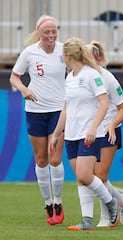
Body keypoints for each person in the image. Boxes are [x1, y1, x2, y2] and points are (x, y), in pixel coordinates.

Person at [49, 37, 120, 230]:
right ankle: (87, 220)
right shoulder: (70, 77)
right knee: (81, 178)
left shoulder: (92, 75)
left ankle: (111, 203)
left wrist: (93, 128)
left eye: (63, 55)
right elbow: (66, 108)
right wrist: (56, 134)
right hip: (71, 134)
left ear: (69, 56)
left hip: (89, 134)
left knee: (85, 174)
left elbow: (104, 103)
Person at [9, 15, 65, 225]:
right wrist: (24, 89)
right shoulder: (30, 53)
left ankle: (58, 202)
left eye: (53, 31)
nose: (51, 36)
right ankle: (48, 203)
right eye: (46, 32)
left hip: (59, 110)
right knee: (41, 159)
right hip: (35, 111)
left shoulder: (64, 50)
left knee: (54, 159)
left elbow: (80, 64)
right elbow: (14, 76)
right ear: (39, 33)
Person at [86, 40, 123, 227]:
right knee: (92, 177)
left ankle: (106, 217)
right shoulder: (78, 77)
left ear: (96, 58)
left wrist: (112, 124)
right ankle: (121, 200)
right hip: (89, 132)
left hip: (107, 131)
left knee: (100, 177)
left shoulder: (108, 78)